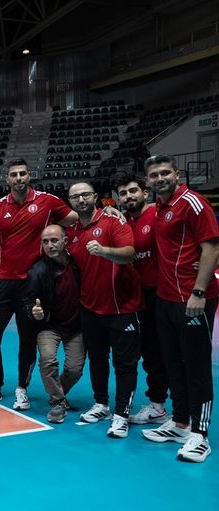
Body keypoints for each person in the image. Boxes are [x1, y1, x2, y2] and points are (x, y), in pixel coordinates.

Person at [0, 160, 77, 412]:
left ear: (29, 176)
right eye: (14, 174)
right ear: (7, 179)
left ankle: (22, 389)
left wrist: (108, 211)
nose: (19, 178)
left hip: (32, 284)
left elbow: (75, 219)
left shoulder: (47, 201)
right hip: (2, 281)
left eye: (23, 173)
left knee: (27, 339)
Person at [142, 154, 219, 463]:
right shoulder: (159, 208)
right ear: (148, 180)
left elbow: (212, 246)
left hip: (193, 298)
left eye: (165, 173)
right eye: (154, 175)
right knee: (173, 363)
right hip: (166, 298)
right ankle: (180, 423)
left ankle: (200, 436)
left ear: (176, 173)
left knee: (196, 366)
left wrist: (199, 291)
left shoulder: (193, 203)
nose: (160, 178)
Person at [65, 182, 141, 439]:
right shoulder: (72, 232)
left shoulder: (113, 222)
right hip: (90, 307)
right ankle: (101, 404)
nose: (81, 199)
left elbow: (129, 254)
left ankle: (121, 415)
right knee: (97, 358)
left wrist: (104, 251)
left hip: (121, 307)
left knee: (124, 364)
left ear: (95, 197)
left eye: (85, 195)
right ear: (70, 202)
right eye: (75, 197)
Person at [115, 175, 169, 426]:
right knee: (150, 352)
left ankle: (184, 414)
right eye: (123, 193)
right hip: (139, 297)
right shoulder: (124, 221)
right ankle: (158, 406)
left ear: (145, 193)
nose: (129, 196)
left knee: (171, 352)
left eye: (133, 191)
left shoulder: (158, 215)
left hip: (164, 293)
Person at [20, 224, 85, 424]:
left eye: (54, 240)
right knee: (48, 361)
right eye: (45, 242)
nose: (50, 245)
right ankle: (58, 402)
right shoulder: (37, 271)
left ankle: (59, 394)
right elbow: (27, 301)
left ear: (65, 242)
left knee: (75, 369)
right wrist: (34, 311)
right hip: (49, 326)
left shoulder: (78, 264)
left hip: (76, 327)